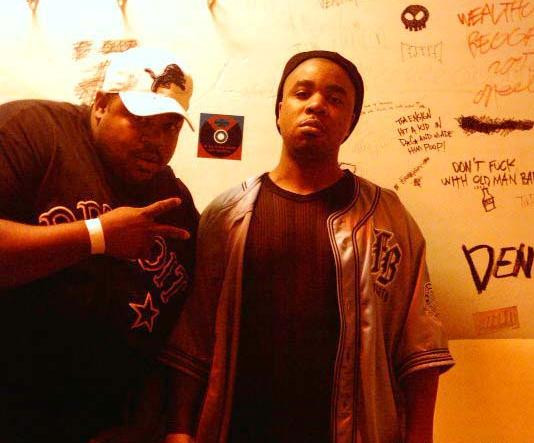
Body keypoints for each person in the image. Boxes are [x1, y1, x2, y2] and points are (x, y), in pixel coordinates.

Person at [160, 50, 455, 443]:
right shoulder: (226, 216)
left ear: (350, 122)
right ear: (279, 110)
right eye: (302, 93)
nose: (316, 105)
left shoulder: (387, 219)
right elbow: (194, 339)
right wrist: (179, 429)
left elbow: (419, 349)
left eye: (335, 99)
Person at [0, 47, 199, 443]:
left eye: (170, 127)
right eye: (141, 121)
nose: (156, 141)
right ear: (101, 104)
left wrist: (163, 425)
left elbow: (179, 330)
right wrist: (97, 236)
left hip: (110, 427)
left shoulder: (173, 199)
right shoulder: (31, 131)